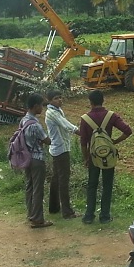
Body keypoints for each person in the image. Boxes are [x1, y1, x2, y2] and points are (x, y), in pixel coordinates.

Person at [78, 90, 132, 225]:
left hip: (93, 157)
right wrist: (113, 142)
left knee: (92, 185)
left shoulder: (85, 119)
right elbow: (127, 131)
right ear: (103, 100)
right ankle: (105, 216)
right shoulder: (111, 116)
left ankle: (89, 216)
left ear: (90, 102)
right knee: (107, 185)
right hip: (108, 156)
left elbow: (83, 143)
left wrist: (86, 158)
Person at [44, 89, 79, 219]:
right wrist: (79, 131)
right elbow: (65, 125)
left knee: (56, 178)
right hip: (61, 149)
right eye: (56, 98)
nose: (60, 100)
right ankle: (67, 211)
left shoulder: (57, 110)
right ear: (50, 100)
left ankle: (54, 207)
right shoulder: (52, 113)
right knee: (63, 179)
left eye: (60, 97)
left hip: (58, 148)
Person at [22, 93, 53, 229]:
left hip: (26, 158)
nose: (42, 107)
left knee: (29, 186)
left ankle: (31, 214)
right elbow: (47, 140)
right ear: (35, 106)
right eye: (41, 105)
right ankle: (38, 219)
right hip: (37, 158)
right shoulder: (35, 124)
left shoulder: (23, 120)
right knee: (38, 189)